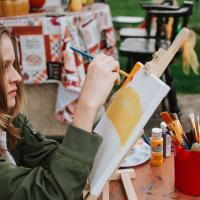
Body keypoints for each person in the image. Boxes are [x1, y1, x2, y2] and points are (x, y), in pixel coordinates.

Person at [0, 24, 120, 199]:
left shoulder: (10, 122)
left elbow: (52, 158)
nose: (17, 77)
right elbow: (53, 194)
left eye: (13, 65)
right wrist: (86, 105)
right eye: (4, 67)